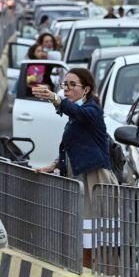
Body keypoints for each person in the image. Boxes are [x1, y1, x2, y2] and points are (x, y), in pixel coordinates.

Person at [32, 68, 117, 267]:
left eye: (72, 85)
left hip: (95, 179)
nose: (67, 89)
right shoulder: (77, 114)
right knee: (81, 233)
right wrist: (53, 165)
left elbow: (77, 112)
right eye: (65, 85)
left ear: (86, 89)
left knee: (95, 237)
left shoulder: (92, 110)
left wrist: (55, 98)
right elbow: (72, 146)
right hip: (79, 177)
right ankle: (85, 275)